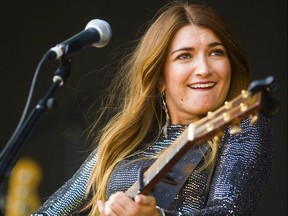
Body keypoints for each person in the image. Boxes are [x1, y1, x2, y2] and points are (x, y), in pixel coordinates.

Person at [32, 1, 274, 215]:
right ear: (159, 78)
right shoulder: (121, 144)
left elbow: (227, 212)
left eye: (216, 52)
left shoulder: (242, 126)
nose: (204, 68)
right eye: (184, 56)